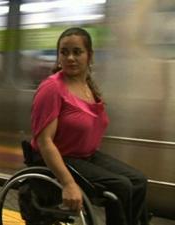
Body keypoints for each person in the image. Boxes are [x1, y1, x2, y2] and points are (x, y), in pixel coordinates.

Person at [30, 27, 149, 225]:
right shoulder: (52, 88)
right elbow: (45, 142)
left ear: (89, 56)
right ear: (58, 56)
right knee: (121, 186)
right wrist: (68, 183)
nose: (70, 58)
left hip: (85, 156)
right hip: (61, 157)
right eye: (64, 52)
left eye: (77, 52)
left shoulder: (87, 86)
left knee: (139, 181)